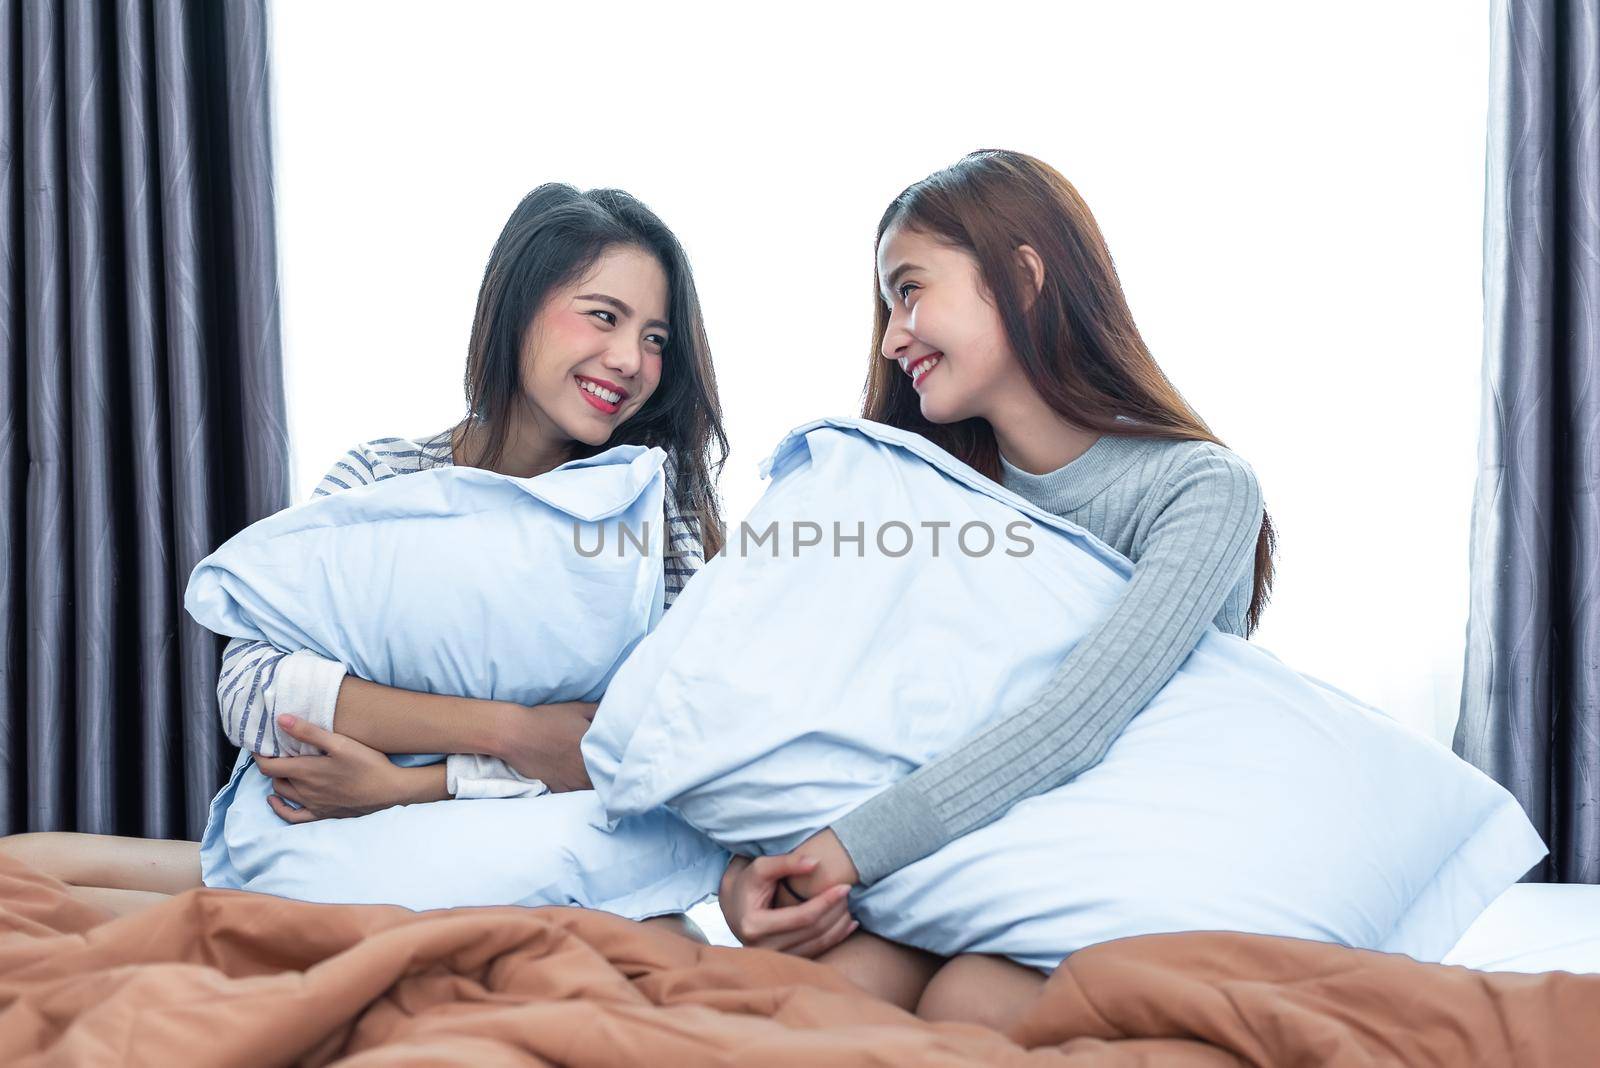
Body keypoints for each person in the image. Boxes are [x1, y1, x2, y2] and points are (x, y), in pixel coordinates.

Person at [0, 183, 729, 938]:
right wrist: (508, 731)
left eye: (655, 338)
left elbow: (653, 741)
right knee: (18, 872)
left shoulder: (650, 512)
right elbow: (253, 692)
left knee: (678, 951)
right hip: (339, 836)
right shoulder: (385, 478)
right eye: (604, 317)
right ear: (518, 303)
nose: (630, 359)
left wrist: (415, 785)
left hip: (529, 846)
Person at [717, 149, 1276, 1029]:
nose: (892, 336)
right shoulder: (913, 491)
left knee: (971, 999)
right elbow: (815, 705)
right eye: (886, 305)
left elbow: (1079, 720)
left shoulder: (1200, 490)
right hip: (936, 861)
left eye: (909, 292)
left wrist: (844, 852)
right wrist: (746, 876)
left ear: (1022, 276)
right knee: (822, 1002)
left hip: (1095, 868)